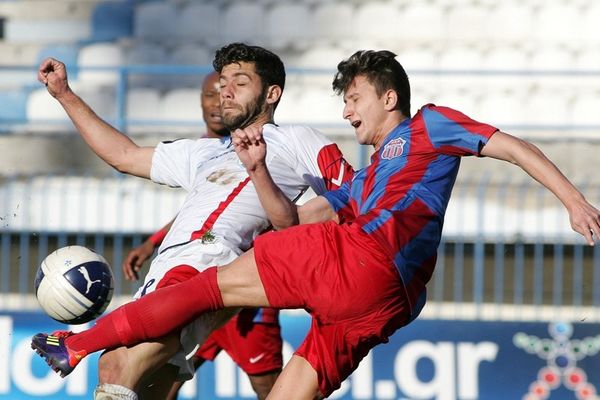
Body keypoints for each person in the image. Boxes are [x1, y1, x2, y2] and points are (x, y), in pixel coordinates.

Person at [32, 49, 600, 399]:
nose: (348, 111)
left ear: (389, 95)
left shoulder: (422, 126)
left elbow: (513, 146)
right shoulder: (358, 178)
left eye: (354, 99)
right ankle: (86, 346)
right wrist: (65, 96)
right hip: (380, 302)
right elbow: (289, 218)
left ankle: (78, 343)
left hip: (353, 261)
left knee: (179, 313)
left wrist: (574, 202)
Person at [31, 42, 353, 400]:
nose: (225, 91)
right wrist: (64, 94)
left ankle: (76, 344)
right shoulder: (204, 151)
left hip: (207, 261)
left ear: (271, 94)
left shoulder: (297, 139)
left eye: (240, 82)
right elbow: (124, 155)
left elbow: (353, 196)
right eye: (223, 81)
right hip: (170, 268)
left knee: (117, 366)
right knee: (148, 386)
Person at [123, 71, 283, 400]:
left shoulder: (259, 147)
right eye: (209, 95)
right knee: (160, 381)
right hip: (196, 288)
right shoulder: (200, 151)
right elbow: (202, 217)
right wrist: (153, 242)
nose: (216, 102)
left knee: (269, 387)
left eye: (222, 93)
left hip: (241, 295)